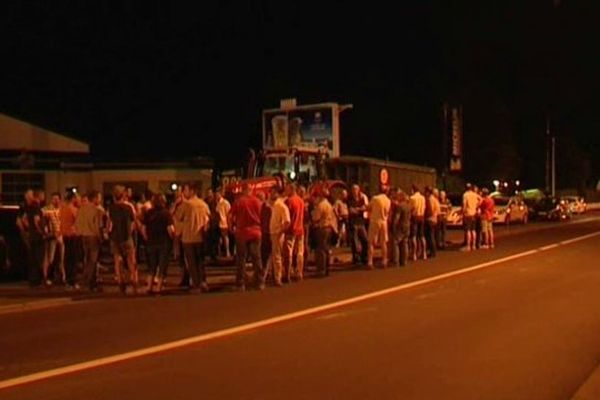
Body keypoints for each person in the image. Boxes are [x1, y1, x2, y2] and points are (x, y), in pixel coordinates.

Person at [230, 183, 265, 291]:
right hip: (256, 232)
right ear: (251, 190)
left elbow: (231, 216)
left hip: (242, 233)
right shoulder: (257, 202)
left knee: (241, 259)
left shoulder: (239, 201)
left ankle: (240, 284)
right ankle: (260, 282)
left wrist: (232, 228)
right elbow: (263, 216)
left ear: (243, 190)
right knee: (257, 257)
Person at [180, 183, 211, 293]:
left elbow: (179, 217)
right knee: (200, 262)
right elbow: (208, 217)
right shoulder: (203, 204)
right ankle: (203, 282)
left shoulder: (187, 204)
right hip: (200, 237)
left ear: (192, 191)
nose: (184, 193)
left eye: (186, 190)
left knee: (192, 263)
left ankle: (196, 285)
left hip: (188, 237)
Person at [142, 193, 175, 294]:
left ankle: (149, 286)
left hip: (151, 242)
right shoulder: (166, 213)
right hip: (164, 242)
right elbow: (170, 229)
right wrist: (173, 238)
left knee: (152, 265)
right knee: (162, 265)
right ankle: (158, 287)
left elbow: (143, 228)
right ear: (163, 202)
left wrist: (146, 237)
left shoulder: (149, 213)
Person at [108, 185, 138, 294]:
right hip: (127, 236)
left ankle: (120, 282)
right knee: (131, 260)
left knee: (117, 260)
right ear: (123, 196)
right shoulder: (128, 207)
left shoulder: (111, 208)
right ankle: (133, 281)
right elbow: (133, 221)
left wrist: (108, 233)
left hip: (115, 237)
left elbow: (109, 223)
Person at [75, 190, 105, 291]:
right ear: (95, 198)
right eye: (99, 197)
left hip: (84, 236)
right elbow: (99, 226)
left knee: (87, 260)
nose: (100, 200)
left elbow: (77, 223)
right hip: (93, 236)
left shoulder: (81, 209)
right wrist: (101, 237)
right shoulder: (97, 210)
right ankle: (88, 282)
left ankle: (90, 282)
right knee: (93, 261)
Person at [16, 189, 45, 287]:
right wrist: (40, 231)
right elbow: (36, 221)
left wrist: (28, 228)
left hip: (32, 235)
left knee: (32, 258)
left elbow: (23, 219)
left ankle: (33, 280)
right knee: (38, 258)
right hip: (36, 236)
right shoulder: (35, 207)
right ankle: (37, 280)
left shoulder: (28, 208)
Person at [311, 188, 337, 277]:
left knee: (320, 249)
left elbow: (316, 218)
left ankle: (321, 270)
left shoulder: (321, 205)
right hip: (329, 227)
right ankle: (327, 269)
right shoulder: (329, 204)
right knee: (326, 249)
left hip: (322, 228)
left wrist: (313, 213)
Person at [284, 183, 305, 282]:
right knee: (300, 252)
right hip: (300, 229)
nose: (286, 192)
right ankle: (299, 272)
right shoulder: (301, 201)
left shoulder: (289, 201)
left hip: (291, 229)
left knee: (289, 252)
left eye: (287, 190)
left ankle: (287, 273)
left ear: (291, 190)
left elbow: (287, 216)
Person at [269, 188, 290, 286]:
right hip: (273, 233)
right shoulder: (273, 205)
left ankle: (278, 278)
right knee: (275, 256)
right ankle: (275, 276)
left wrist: (279, 232)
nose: (271, 194)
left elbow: (287, 222)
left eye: (273, 193)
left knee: (277, 256)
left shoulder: (281, 206)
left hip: (277, 234)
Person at [367, 185, 391, 269]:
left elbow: (369, 208)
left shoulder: (375, 198)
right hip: (384, 222)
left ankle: (370, 262)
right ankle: (384, 260)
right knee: (383, 242)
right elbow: (387, 212)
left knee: (371, 242)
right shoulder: (388, 200)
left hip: (375, 220)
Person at [42, 192, 63, 285]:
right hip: (52, 236)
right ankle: (48, 277)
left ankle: (61, 277)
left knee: (62, 258)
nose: (55, 201)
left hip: (61, 235)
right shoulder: (46, 210)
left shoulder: (62, 209)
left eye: (57, 199)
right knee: (51, 257)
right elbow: (42, 221)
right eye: (54, 199)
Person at [59, 191, 79, 289]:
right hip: (72, 234)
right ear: (73, 199)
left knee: (67, 258)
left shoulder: (62, 209)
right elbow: (78, 221)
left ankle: (67, 279)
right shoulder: (73, 209)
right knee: (73, 259)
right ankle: (73, 280)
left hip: (65, 235)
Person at [347, 184, 368, 265]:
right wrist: (359, 209)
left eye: (356, 189)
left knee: (365, 240)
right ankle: (356, 259)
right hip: (354, 223)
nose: (355, 191)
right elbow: (351, 210)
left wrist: (358, 209)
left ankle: (364, 257)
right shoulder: (350, 200)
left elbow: (365, 208)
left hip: (361, 222)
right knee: (355, 242)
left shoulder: (361, 199)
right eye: (353, 189)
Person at [391, 188, 411, 267]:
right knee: (405, 243)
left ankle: (396, 261)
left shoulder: (400, 206)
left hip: (400, 225)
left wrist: (394, 225)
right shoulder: (408, 206)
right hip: (407, 225)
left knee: (395, 242)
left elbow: (397, 217)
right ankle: (404, 261)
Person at [409, 185, 427, 261]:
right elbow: (425, 207)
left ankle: (414, 254)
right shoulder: (423, 198)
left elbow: (411, 208)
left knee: (414, 236)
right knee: (422, 236)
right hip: (422, 217)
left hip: (415, 217)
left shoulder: (412, 198)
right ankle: (424, 253)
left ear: (413, 190)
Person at [461, 183, 481, 251]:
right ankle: (474, 245)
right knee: (473, 230)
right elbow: (481, 199)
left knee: (468, 230)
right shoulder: (474, 194)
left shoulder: (465, 195)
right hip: (474, 213)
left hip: (468, 213)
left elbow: (464, 204)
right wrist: (477, 206)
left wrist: (463, 212)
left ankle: (468, 246)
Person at [214, 189, 232, 258]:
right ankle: (220, 252)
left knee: (225, 237)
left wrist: (228, 223)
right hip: (218, 223)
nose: (216, 196)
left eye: (218, 194)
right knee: (219, 239)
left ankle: (227, 252)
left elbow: (228, 214)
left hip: (224, 223)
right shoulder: (217, 203)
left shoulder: (225, 203)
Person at [425, 187, 441, 258]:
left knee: (430, 236)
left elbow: (430, 210)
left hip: (430, 219)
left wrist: (427, 215)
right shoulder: (436, 200)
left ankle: (432, 251)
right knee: (433, 236)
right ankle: (433, 251)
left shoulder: (430, 199)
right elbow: (438, 210)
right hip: (435, 219)